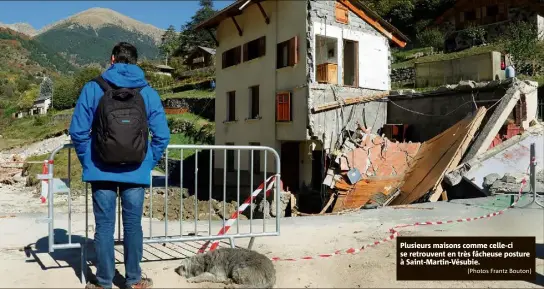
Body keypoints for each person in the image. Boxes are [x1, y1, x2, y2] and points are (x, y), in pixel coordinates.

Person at [69, 42, 170, 289]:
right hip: (136, 171)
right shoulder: (148, 92)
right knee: (133, 225)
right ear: (136, 61)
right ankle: (134, 280)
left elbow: (78, 132)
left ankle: (103, 281)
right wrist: (147, 162)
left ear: (112, 59)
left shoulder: (93, 87)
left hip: (100, 170)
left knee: (104, 226)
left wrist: (89, 160)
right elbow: (162, 136)